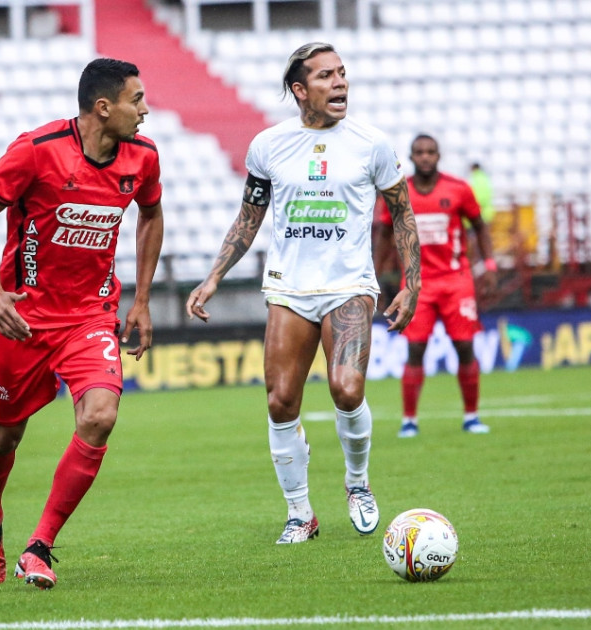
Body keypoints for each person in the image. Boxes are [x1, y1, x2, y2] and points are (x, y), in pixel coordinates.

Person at [185, 43, 421, 544]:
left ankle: (357, 484)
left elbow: (402, 211)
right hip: (290, 287)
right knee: (280, 402)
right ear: (299, 90)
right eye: (325, 77)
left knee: (347, 389)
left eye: (342, 74)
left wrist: (411, 282)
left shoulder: (371, 143)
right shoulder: (269, 146)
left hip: (349, 284)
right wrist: (213, 277)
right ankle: (300, 514)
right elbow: (250, 217)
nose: (340, 84)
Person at [0, 58, 164, 589]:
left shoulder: (143, 158)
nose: (145, 111)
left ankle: (40, 546)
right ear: (105, 108)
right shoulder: (36, 150)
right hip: (24, 319)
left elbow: (151, 213)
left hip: (90, 316)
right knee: (4, 437)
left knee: (100, 416)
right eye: (136, 100)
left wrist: (141, 299)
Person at [374, 134, 496, 438]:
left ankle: (471, 416)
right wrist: (374, 275)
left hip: (456, 280)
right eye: (419, 152)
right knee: (416, 349)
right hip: (416, 285)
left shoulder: (458, 189)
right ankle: (409, 421)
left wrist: (489, 264)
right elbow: (386, 234)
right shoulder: (398, 192)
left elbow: (480, 227)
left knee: (464, 346)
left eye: (431, 152)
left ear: (438, 156)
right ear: (411, 157)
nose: (425, 157)